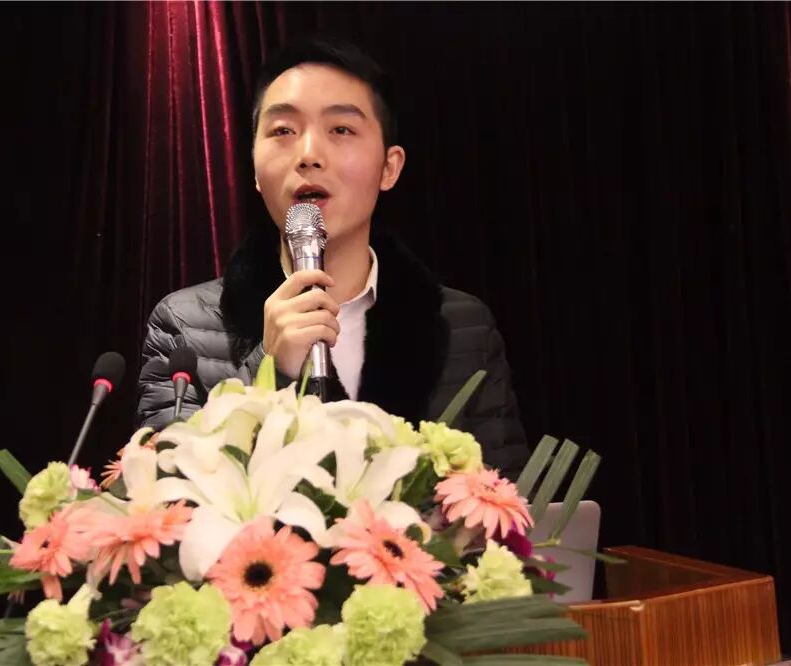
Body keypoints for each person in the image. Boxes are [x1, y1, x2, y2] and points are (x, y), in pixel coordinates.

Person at [136, 37, 530, 476]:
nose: (309, 155)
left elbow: (505, 503)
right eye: (283, 131)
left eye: (341, 130)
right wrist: (269, 369)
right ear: (254, 169)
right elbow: (165, 498)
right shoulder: (184, 326)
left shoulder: (465, 327)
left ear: (389, 167)